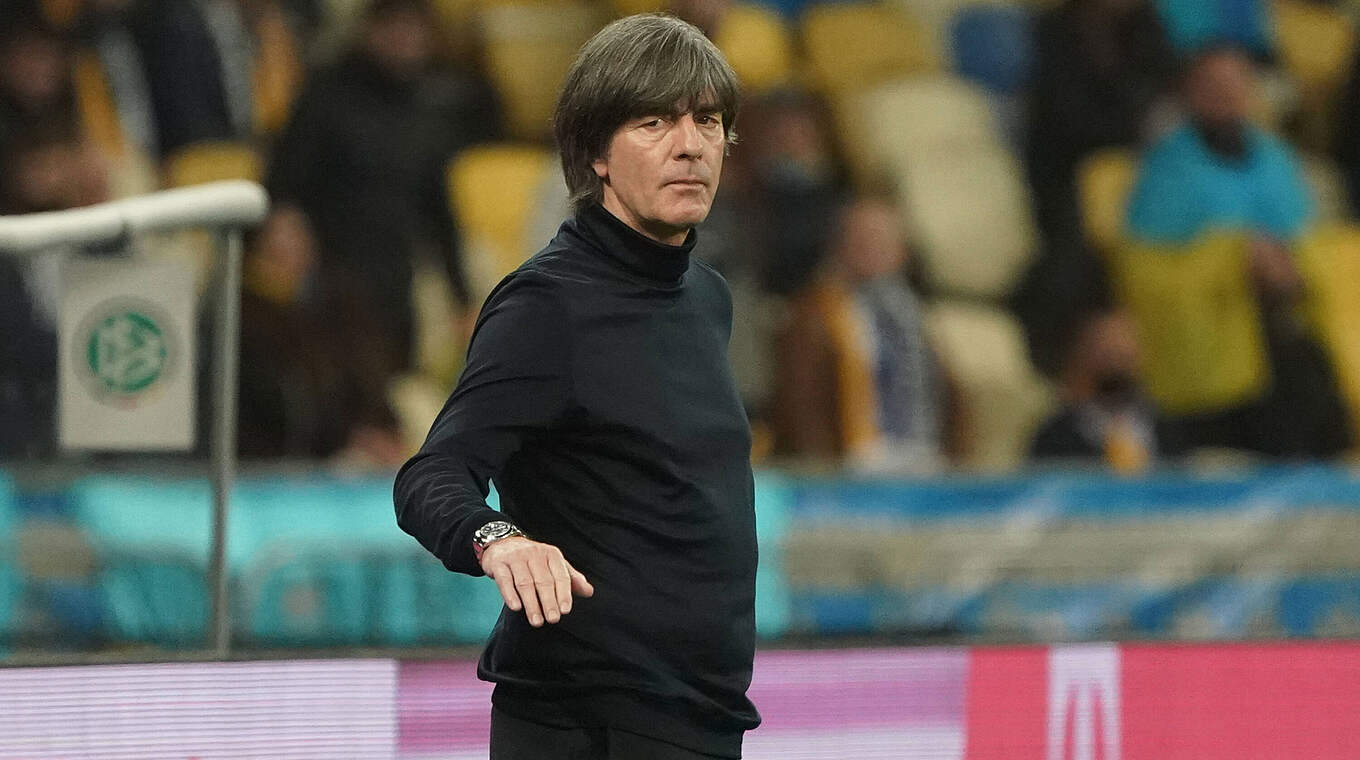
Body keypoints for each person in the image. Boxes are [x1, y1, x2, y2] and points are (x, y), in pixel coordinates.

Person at [393, 14, 760, 760]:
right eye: (653, 122)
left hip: (701, 719)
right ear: (595, 153)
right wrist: (498, 539)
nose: (691, 145)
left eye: (708, 121)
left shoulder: (708, 297)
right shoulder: (547, 305)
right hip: (582, 724)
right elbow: (431, 473)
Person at [773, 193, 957, 474]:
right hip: (852, 468)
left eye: (882, 239)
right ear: (839, 245)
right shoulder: (814, 316)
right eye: (861, 239)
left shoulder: (917, 317)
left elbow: (949, 399)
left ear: (903, 251)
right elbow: (804, 410)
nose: (871, 249)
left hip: (924, 460)